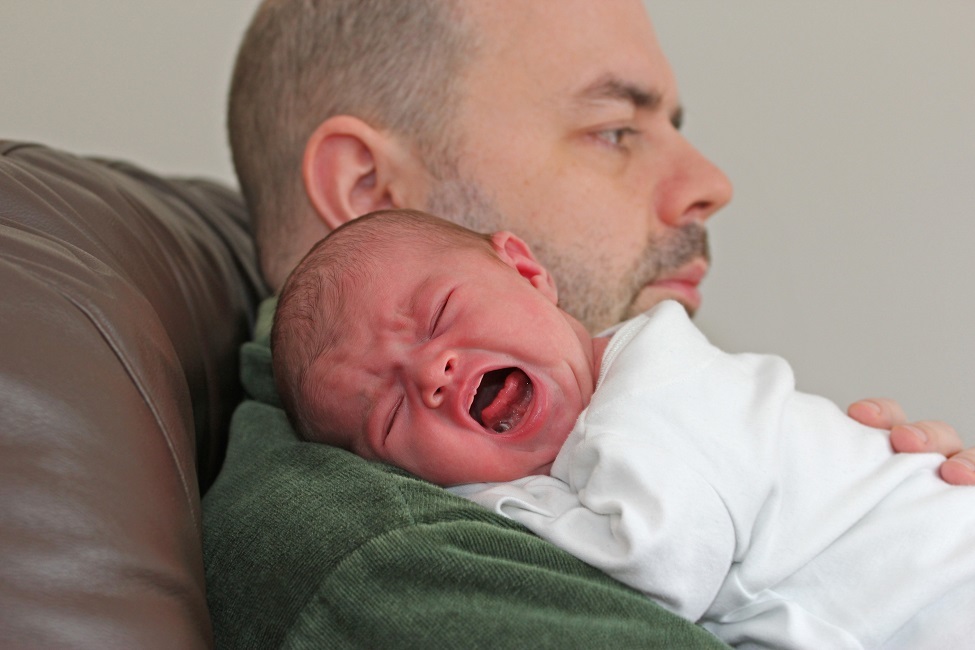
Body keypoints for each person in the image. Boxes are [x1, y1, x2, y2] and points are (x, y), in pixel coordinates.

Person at [203, 1, 974, 646]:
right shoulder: (386, 553)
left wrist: (885, 534)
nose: (711, 185)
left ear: (523, 268)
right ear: (371, 187)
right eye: (614, 129)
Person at [271, 209, 975, 649]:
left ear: (525, 270)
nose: (432, 371)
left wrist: (494, 502)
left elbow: (663, 565)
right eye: (391, 413)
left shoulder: (657, 385)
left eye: (440, 314)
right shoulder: (375, 541)